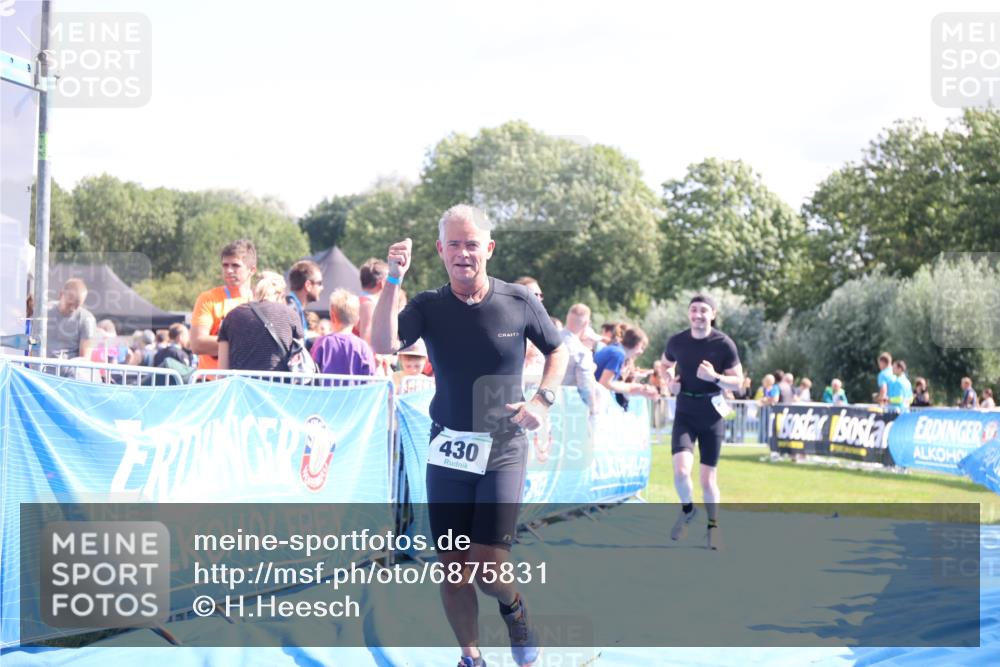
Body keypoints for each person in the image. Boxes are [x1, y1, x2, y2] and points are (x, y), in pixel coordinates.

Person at [371, 204, 567, 667]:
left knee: (488, 567)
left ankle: (515, 610)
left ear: (489, 249)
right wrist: (393, 279)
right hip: (449, 450)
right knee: (454, 568)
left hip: (503, 447)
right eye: (454, 244)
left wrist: (543, 400)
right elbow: (382, 345)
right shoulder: (427, 305)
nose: (463, 253)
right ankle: (470, 656)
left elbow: (557, 351)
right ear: (440, 250)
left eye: (472, 244)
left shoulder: (518, 300)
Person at [659, 294, 743, 551]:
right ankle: (687, 510)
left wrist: (714, 377)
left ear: (713, 314)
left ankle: (713, 525)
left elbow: (738, 381)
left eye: (703, 311)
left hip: (711, 414)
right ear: (688, 314)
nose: (698, 315)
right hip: (685, 410)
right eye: (693, 310)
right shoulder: (677, 341)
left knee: (707, 480)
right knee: (681, 471)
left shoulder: (723, 343)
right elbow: (664, 365)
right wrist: (669, 382)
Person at [190, 239, 257, 372]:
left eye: (235, 265)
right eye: (225, 265)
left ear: (252, 270)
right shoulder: (209, 299)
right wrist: (246, 343)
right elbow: (197, 344)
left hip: (248, 383)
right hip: (212, 382)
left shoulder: (260, 301)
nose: (229, 270)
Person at [217, 271, 303, 373]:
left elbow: (222, 370)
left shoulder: (231, 316)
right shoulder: (291, 315)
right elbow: (300, 360)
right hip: (279, 386)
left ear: (254, 290)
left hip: (241, 386)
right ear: (280, 295)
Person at [310, 288, 375, 378]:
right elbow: (370, 378)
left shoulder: (322, 343)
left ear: (332, 316)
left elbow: (311, 373)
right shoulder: (363, 347)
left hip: (326, 392)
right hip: (355, 392)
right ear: (357, 320)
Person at [594, 325, 659, 409]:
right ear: (638, 345)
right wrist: (633, 388)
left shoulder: (615, 349)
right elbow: (604, 383)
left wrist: (636, 388)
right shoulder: (618, 354)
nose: (641, 352)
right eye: (642, 348)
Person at [560, 303, 599, 413]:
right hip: (569, 406)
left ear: (567, 317)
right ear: (586, 323)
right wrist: (593, 408)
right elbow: (585, 384)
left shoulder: (548, 339)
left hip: (542, 400)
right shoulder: (582, 351)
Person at [46, 278, 97, 360]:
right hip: (41, 369)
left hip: (72, 371)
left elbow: (85, 358)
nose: (73, 308)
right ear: (61, 294)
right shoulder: (44, 312)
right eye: (70, 304)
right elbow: (33, 341)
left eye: (77, 305)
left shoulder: (87, 319)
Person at [286, 259, 324, 344]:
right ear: (308, 285)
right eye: (320, 283)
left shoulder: (294, 307)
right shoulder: (291, 310)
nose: (322, 288)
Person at [354, 257, 388, 345]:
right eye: (389, 280)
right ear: (382, 283)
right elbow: (365, 343)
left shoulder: (358, 302)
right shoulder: (368, 305)